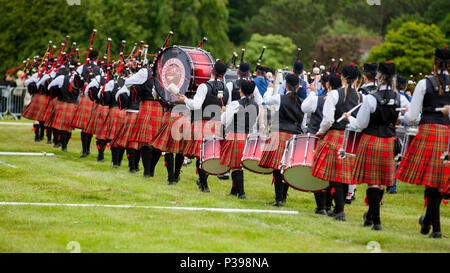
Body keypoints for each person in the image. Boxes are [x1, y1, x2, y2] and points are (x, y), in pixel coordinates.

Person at [344, 62, 409, 230]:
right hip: (389, 140)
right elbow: (405, 118)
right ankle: (370, 216)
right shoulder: (400, 98)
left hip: (372, 139)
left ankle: (376, 221)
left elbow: (360, 124)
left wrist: (348, 118)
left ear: (379, 77)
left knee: (373, 182)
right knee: (380, 182)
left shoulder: (371, 98)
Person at [396, 47, 450, 238]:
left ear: (434, 62)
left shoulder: (423, 83)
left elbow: (411, 117)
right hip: (448, 135)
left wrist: (405, 116)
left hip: (429, 133)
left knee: (432, 182)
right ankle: (427, 222)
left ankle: (435, 228)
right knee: (436, 182)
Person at [311, 63, 362, 221]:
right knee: (344, 174)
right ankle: (337, 208)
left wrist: (321, 131)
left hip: (335, 135)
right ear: (357, 79)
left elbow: (327, 119)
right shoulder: (362, 97)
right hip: (352, 139)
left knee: (335, 175)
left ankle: (339, 211)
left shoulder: (334, 95)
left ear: (342, 77)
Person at [178, 60, 230, 193]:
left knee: (202, 154)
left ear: (211, 71)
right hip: (217, 123)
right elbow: (227, 108)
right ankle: (203, 182)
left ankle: (203, 183)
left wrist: (185, 100)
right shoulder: (226, 88)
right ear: (223, 75)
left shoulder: (203, 86)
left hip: (202, 122)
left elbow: (196, 105)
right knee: (208, 154)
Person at [259, 73, 304, 206]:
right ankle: (283, 196)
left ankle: (279, 199)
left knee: (277, 168)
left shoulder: (279, 97)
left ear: (285, 85)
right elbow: (303, 122)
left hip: (279, 134)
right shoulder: (302, 102)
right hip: (293, 136)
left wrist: (269, 88)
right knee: (286, 166)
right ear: (298, 86)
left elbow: (265, 100)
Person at [302, 71, 342, 214]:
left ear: (326, 84)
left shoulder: (318, 99)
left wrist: (312, 93)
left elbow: (304, 108)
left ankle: (321, 207)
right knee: (332, 173)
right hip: (337, 139)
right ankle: (329, 205)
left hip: (319, 136)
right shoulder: (345, 98)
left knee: (319, 172)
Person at [221, 79, 259, 199]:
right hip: (247, 136)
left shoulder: (235, 104)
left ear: (240, 90)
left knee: (236, 166)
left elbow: (224, 120)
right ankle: (234, 191)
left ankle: (241, 193)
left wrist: (224, 112)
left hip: (235, 135)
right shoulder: (256, 105)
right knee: (237, 165)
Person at [126, 66, 165, 178]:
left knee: (151, 143)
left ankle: (148, 171)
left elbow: (128, 83)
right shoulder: (168, 72)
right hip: (158, 108)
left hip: (149, 107)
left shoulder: (145, 72)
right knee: (153, 143)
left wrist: (137, 87)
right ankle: (149, 171)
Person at [71, 49, 103, 158]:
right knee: (89, 127)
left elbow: (73, 82)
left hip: (84, 98)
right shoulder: (100, 70)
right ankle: (88, 151)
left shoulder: (81, 68)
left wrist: (80, 87)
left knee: (85, 127)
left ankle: (85, 151)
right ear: (97, 58)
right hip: (94, 100)